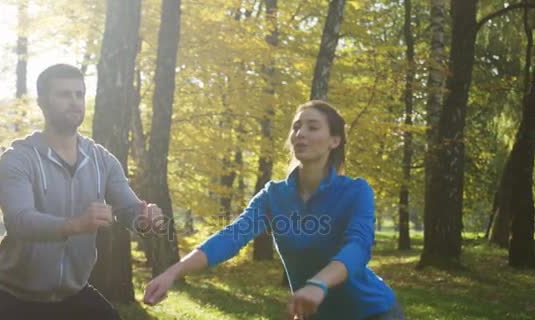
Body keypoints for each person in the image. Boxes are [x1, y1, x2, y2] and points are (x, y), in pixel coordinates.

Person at [143, 100, 405, 320]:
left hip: (372, 312)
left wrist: (318, 283)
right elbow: (232, 236)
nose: (300, 133)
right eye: (297, 127)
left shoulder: (356, 191)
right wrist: (172, 272)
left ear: (334, 141)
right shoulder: (273, 195)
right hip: (313, 313)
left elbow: (358, 247)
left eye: (312, 127)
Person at [0, 63, 162, 320]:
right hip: (14, 298)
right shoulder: (19, 158)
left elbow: (128, 209)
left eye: (79, 94)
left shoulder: (102, 159)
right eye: (64, 94)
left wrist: (146, 220)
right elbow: (20, 221)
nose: (75, 101)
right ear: (42, 102)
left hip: (72, 295)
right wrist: (75, 224)